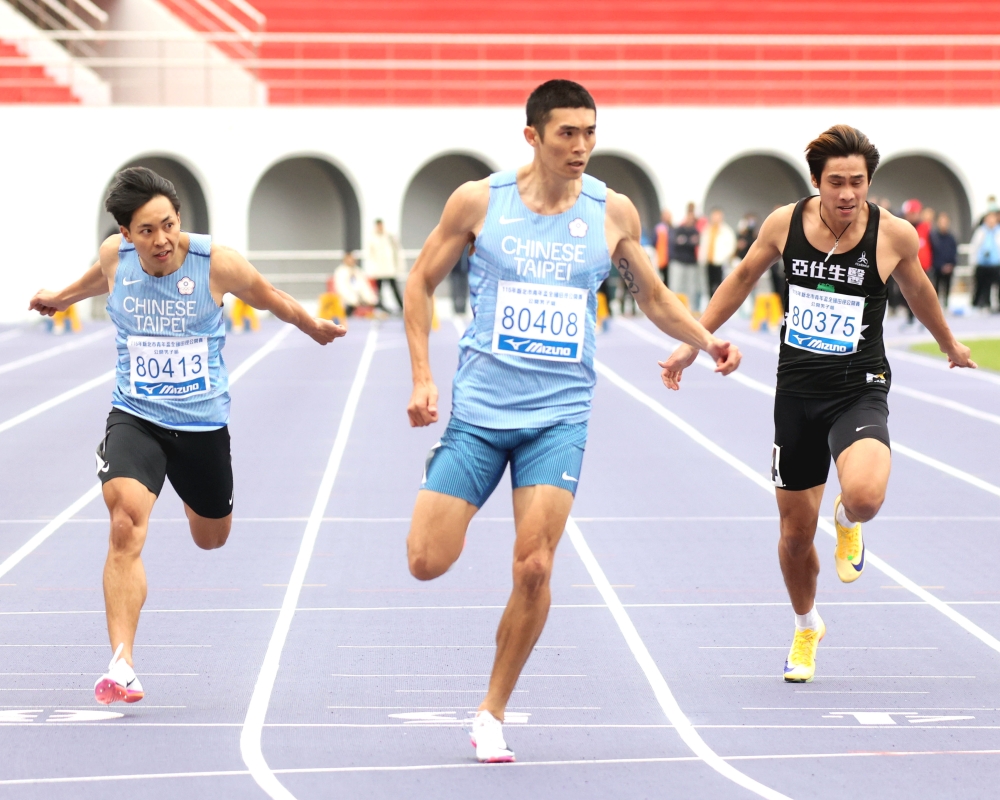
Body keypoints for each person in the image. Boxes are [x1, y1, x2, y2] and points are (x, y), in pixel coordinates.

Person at [402, 79, 739, 763]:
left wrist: (705, 340)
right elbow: (419, 283)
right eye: (567, 133)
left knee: (535, 565)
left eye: (590, 131)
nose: (582, 145)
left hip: (558, 416)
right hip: (481, 412)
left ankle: (492, 711)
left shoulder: (611, 212)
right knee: (425, 561)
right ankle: (447, 473)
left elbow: (654, 296)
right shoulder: (478, 202)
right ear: (532, 136)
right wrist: (422, 374)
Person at [661, 124, 975, 684]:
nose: (849, 194)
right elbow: (738, 281)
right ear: (816, 182)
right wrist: (693, 343)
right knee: (795, 537)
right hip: (797, 392)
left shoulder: (893, 234)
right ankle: (807, 627)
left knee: (865, 495)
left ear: (869, 182)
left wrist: (949, 342)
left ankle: (849, 520)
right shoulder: (785, 223)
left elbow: (920, 290)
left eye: (858, 182)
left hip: (860, 387)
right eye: (837, 183)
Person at [27, 167, 346, 705]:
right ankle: (122, 662)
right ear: (126, 234)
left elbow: (267, 296)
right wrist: (60, 298)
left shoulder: (214, 263)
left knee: (211, 536)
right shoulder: (115, 257)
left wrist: (312, 325)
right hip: (136, 414)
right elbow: (94, 281)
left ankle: (182, 494)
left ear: (181, 220)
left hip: (200, 425)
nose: (161, 240)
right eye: (146, 230)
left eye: (168, 225)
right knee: (125, 521)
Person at [366, 218, 405, 312]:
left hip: (389, 268)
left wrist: (398, 266)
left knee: (394, 288)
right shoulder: (373, 238)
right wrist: (372, 268)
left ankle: (401, 307)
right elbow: (370, 254)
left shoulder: (389, 236)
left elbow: (396, 250)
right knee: (379, 290)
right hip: (379, 269)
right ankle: (380, 307)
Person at [698, 208, 736, 299]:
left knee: (720, 286)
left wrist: (723, 258)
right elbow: (703, 245)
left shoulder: (726, 231)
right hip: (709, 262)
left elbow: (731, 247)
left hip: (720, 263)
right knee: (709, 285)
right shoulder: (707, 230)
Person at [668, 203, 701, 309]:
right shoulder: (679, 229)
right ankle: (674, 307)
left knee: (691, 288)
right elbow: (677, 242)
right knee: (676, 286)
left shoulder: (695, 231)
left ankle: (690, 308)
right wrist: (689, 242)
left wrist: (685, 241)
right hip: (678, 262)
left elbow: (694, 243)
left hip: (691, 263)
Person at [970, 211, 1000, 313]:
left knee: (997, 286)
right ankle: (982, 305)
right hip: (982, 264)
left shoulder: (998, 231)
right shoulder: (981, 231)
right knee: (982, 286)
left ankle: (997, 306)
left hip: (996, 264)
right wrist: (973, 262)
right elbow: (974, 247)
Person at [334, 251, 380, 316]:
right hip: (347, 298)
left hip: (360, 297)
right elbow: (342, 288)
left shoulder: (358, 271)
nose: (352, 260)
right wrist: (353, 300)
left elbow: (365, 286)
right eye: (349, 259)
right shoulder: (340, 272)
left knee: (374, 303)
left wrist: (370, 298)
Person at [929, 212, 958, 309]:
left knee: (947, 287)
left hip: (949, 267)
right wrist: (940, 265)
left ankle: (946, 305)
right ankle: (935, 306)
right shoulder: (933, 237)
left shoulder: (951, 238)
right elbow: (933, 252)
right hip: (937, 267)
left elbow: (954, 252)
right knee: (935, 287)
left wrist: (951, 264)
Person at [450, 243, 471, 315]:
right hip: (455, 269)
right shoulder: (455, 243)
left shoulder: (468, 244)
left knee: (464, 288)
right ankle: (456, 306)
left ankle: (463, 307)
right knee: (455, 288)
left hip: (465, 269)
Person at [654, 208, 672, 286]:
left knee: (669, 281)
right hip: (660, 257)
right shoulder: (658, 228)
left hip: (670, 258)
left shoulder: (672, 229)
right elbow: (654, 241)